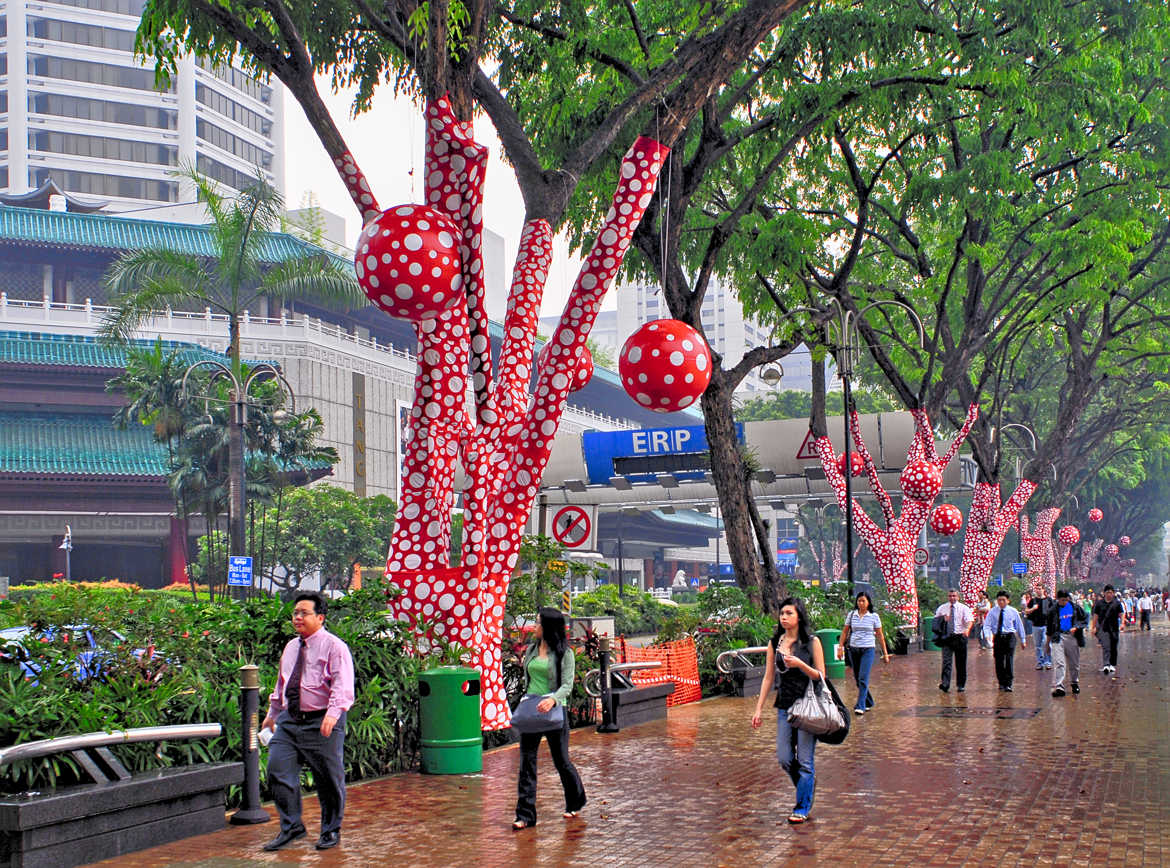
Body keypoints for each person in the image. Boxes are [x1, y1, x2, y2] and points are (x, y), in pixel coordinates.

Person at [262, 592, 355, 852]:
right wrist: (272, 713)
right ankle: (292, 826)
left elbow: (342, 684)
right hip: (290, 720)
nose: (298, 617)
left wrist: (333, 715)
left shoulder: (335, 647)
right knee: (277, 770)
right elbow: (283, 682)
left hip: (323, 719)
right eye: (295, 613)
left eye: (304, 613)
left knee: (328, 779)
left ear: (320, 617)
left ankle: (330, 830)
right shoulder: (292, 646)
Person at [751, 597, 827, 824]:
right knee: (784, 757)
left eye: (789, 613)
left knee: (805, 760)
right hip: (785, 706)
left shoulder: (812, 642)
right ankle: (807, 785)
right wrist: (758, 709)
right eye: (782, 613)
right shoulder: (775, 642)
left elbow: (822, 675)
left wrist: (802, 665)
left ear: (799, 616)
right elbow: (768, 678)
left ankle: (802, 806)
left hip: (808, 708)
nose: (784, 617)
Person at [513, 608, 586, 829]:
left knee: (561, 761)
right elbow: (528, 678)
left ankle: (575, 801)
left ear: (548, 627)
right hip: (532, 709)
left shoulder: (565, 653)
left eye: (537, 623)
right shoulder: (532, 650)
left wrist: (553, 700)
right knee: (527, 761)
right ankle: (525, 815)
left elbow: (567, 685)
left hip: (554, 711)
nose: (534, 627)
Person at [840, 591, 889, 715]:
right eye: (859, 601)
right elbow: (845, 632)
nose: (861, 603)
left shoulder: (874, 616)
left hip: (868, 649)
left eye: (863, 601)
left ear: (868, 603)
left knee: (863, 677)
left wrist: (885, 653)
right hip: (854, 649)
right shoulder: (852, 615)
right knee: (857, 678)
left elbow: (880, 635)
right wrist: (840, 647)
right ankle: (869, 701)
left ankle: (860, 705)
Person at [1045, 589, 1088, 697]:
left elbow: (1085, 618)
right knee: (1059, 662)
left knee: (1074, 663)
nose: (1064, 602)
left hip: (1072, 637)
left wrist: (1077, 627)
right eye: (1062, 600)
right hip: (1057, 637)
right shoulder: (1052, 611)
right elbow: (1049, 629)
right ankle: (1059, 686)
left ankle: (1074, 682)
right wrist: (1047, 644)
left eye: (1066, 599)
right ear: (1058, 599)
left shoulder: (1075, 608)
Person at [982, 590, 1027, 691]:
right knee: (999, 660)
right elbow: (987, 625)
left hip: (1010, 637)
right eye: (999, 600)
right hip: (998, 637)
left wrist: (1023, 639)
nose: (1001, 602)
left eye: (1003, 600)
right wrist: (988, 636)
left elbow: (1019, 626)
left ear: (1008, 601)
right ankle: (1001, 682)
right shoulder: (993, 611)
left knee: (1009, 659)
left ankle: (1008, 683)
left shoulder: (1013, 611)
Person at [934, 589, 973, 693]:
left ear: (958, 597)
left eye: (954, 596)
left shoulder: (964, 608)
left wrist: (967, 629)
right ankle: (945, 684)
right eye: (950, 596)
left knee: (961, 662)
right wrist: (943, 619)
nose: (952, 598)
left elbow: (969, 620)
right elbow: (935, 622)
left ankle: (961, 685)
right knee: (946, 661)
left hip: (960, 636)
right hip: (947, 638)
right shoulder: (942, 608)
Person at [1091, 585, 1123, 674]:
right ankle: (1106, 664)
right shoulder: (1099, 604)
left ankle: (1112, 664)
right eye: (1107, 592)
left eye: (1111, 592)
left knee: (1113, 646)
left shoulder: (1117, 603)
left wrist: (1123, 623)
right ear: (1104, 593)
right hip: (1103, 628)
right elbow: (1095, 616)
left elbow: (1121, 614)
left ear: (1113, 593)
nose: (1109, 594)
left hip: (1114, 628)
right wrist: (1093, 627)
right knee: (1106, 646)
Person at [1025, 590, 1053, 670]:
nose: (1038, 590)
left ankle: (1048, 661)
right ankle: (1040, 662)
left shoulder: (1049, 600)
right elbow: (1026, 611)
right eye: (1037, 589)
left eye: (1040, 588)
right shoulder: (1033, 600)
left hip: (1046, 625)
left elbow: (1054, 611)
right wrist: (1033, 609)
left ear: (1043, 590)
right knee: (1037, 645)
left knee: (1046, 643)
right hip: (1036, 625)